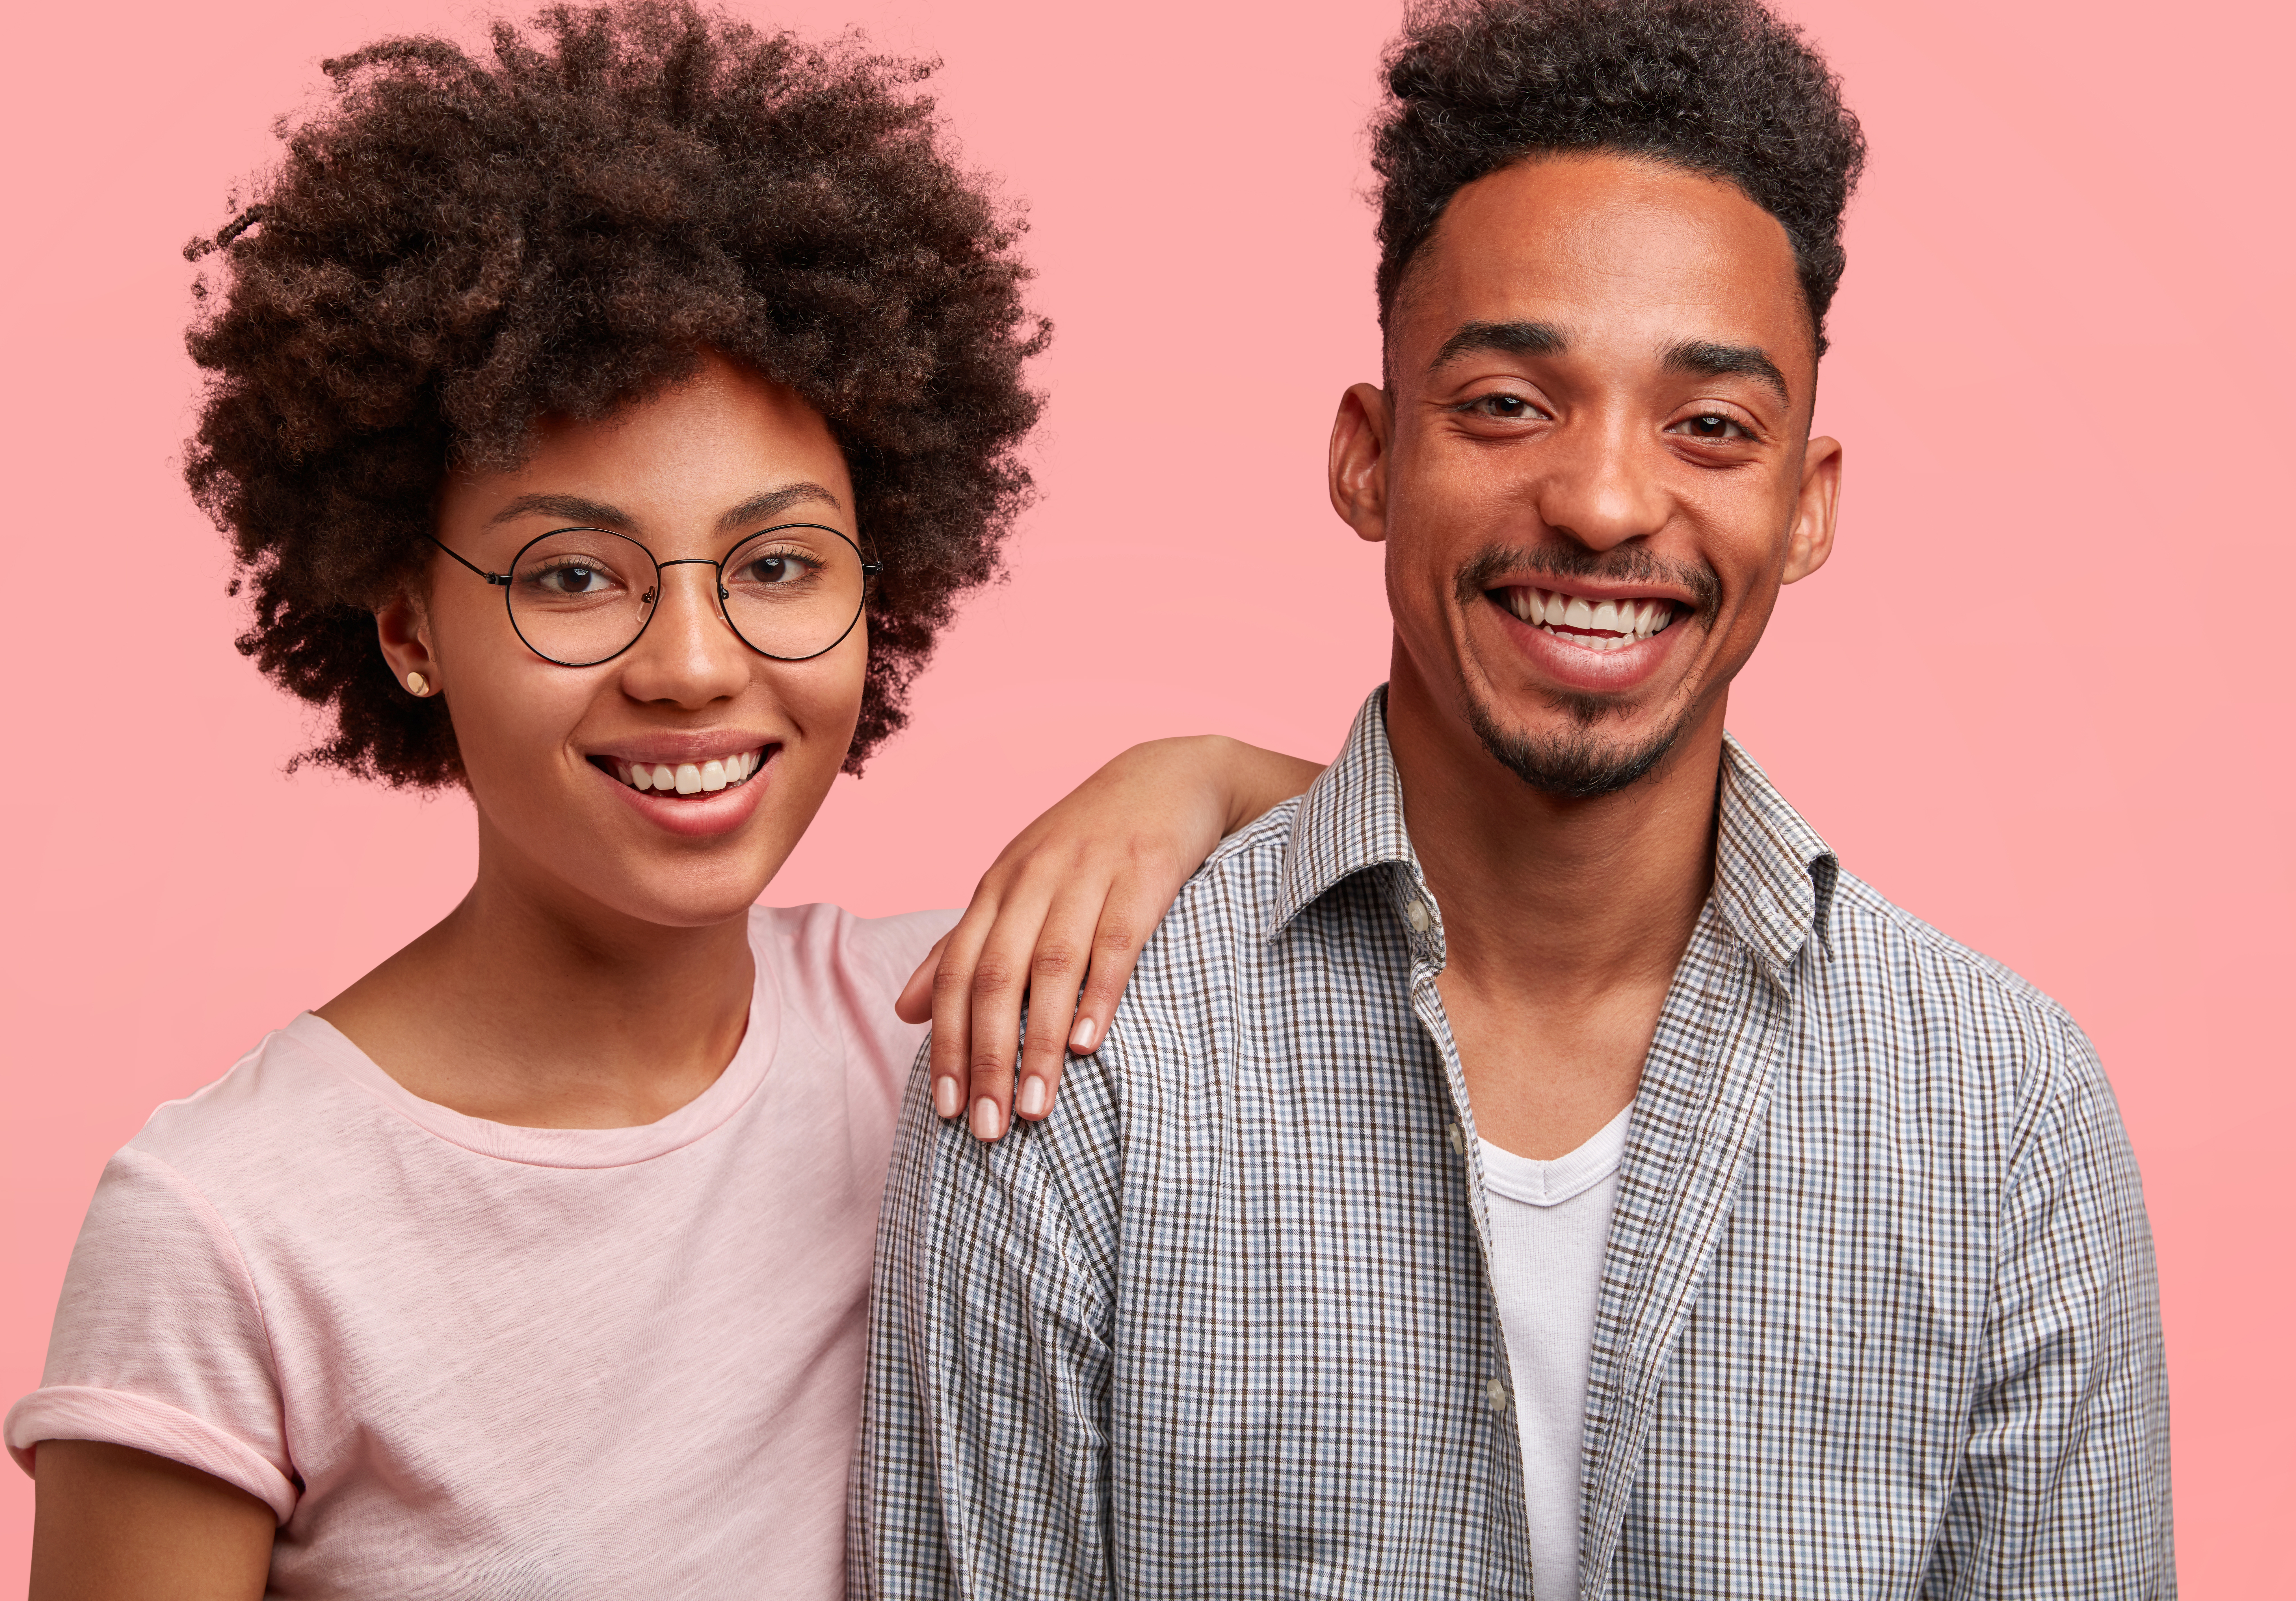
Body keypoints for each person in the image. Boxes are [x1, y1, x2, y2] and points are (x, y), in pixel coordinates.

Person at [858, 0, 2174, 1595]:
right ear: (1368, 458)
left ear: (1807, 507)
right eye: (1505, 404)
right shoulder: (1079, 1071)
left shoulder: (2004, 1117)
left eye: (1712, 427)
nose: (1606, 502)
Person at [4, 7, 1319, 1597]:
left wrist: (1192, 777)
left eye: (778, 565)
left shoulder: (952, 1027)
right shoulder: (229, 1228)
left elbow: (1468, 877)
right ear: (408, 624)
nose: (694, 665)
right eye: (573, 576)